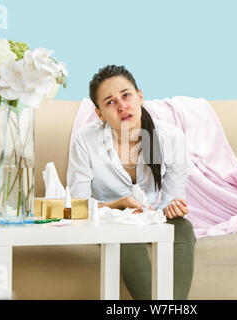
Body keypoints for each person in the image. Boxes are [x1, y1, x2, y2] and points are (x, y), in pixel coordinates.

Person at [67, 65, 195, 300]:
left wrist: (173, 207)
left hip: (152, 217)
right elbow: (76, 207)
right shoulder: (86, 140)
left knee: (183, 227)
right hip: (108, 221)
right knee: (126, 235)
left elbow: (170, 201)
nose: (122, 106)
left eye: (126, 95)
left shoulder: (171, 138)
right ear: (99, 113)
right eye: (110, 102)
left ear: (140, 96)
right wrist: (120, 205)